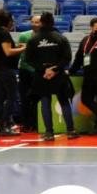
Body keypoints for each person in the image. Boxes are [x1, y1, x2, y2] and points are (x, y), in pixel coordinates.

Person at [25, 12, 77, 141]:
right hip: (58, 75)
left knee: (45, 103)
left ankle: (49, 133)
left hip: (41, 75)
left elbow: (29, 59)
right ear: (53, 22)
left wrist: (44, 69)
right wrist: (54, 69)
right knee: (64, 102)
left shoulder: (33, 39)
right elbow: (67, 58)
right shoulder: (61, 38)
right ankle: (70, 131)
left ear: (41, 23)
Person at [0, 10, 24, 136]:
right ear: (9, 22)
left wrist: (17, 47)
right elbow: (8, 52)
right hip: (6, 70)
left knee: (1, 98)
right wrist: (23, 48)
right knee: (11, 97)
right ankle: (5, 125)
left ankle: (0, 125)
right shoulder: (4, 33)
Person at [17, 14, 41, 134]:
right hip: (25, 70)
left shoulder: (45, 37)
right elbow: (21, 54)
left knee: (38, 99)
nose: (34, 24)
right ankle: (26, 124)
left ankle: (38, 123)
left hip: (39, 71)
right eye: (32, 22)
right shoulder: (23, 35)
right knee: (25, 98)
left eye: (37, 22)